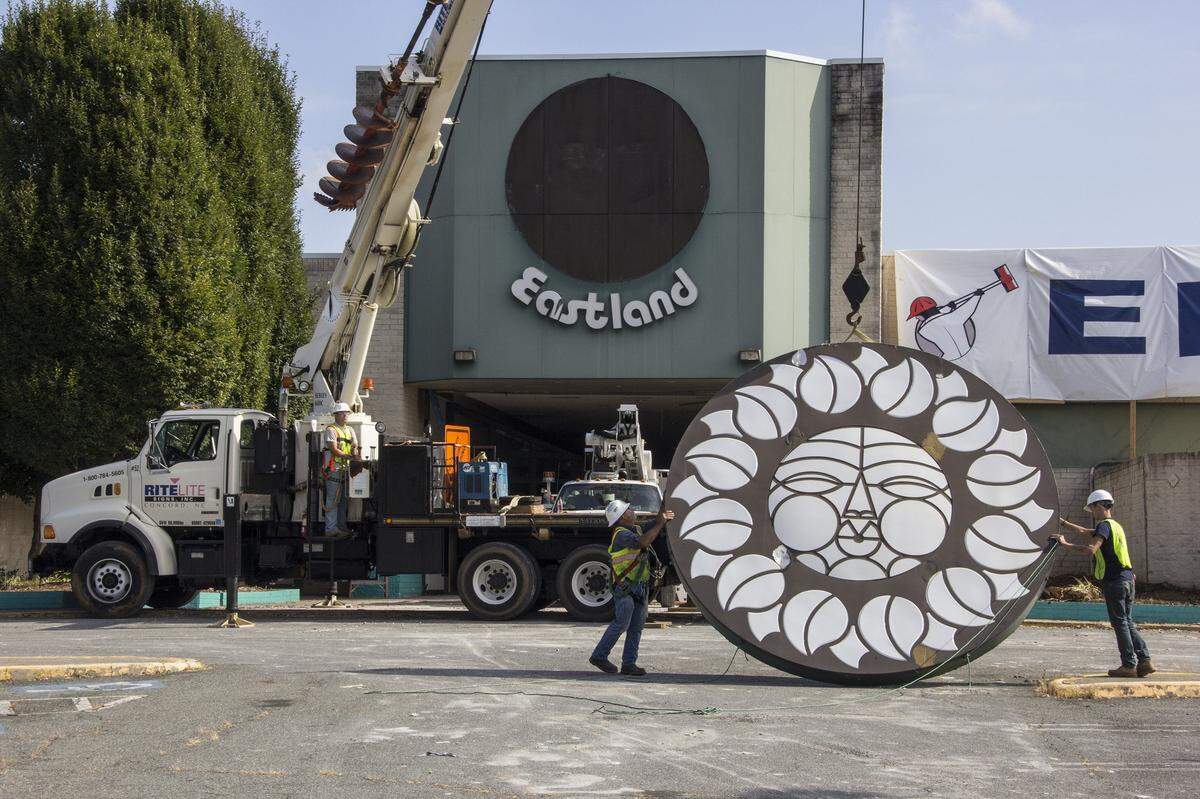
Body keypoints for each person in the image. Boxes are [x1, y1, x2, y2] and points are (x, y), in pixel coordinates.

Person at [1054, 489, 1155, 678]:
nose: (1092, 512)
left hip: (1115, 582)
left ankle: (1128, 665)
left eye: (1092, 508)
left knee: (1120, 624)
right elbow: (1084, 531)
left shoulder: (1103, 526)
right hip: (1127, 580)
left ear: (1099, 506)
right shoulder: (1114, 526)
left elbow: (1091, 549)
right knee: (1128, 622)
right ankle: (1145, 660)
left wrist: (1064, 544)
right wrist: (1062, 522)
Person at [589, 500, 674, 676]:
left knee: (636, 626)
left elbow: (658, 519)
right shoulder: (621, 534)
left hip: (639, 587)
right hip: (625, 587)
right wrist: (660, 523)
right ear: (621, 518)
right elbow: (643, 542)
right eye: (628, 509)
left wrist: (666, 499)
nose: (632, 510)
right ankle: (599, 656)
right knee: (622, 623)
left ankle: (629, 664)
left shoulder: (635, 528)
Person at [323, 402, 359, 537]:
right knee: (332, 499)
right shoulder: (331, 429)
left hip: (346, 470)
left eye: (347, 413)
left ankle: (341, 527)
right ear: (336, 415)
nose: (346, 415)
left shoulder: (350, 430)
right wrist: (350, 456)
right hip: (334, 469)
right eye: (343, 413)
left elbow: (354, 445)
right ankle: (330, 529)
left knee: (343, 500)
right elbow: (334, 449)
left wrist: (355, 452)